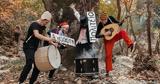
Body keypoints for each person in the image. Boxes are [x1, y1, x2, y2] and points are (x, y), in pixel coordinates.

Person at [18, 11, 57, 84]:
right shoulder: (34, 24)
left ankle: (31, 82)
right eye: (46, 22)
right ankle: (21, 81)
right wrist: (49, 39)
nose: (46, 24)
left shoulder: (43, 27)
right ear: (44, 19)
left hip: (35, 48)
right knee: (29, 63)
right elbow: (37, 35)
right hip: (28, 47)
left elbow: (45, 36)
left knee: (38, 66)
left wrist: (52, 43)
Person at [96, 13, 134, 79]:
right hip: (108, 40)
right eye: (102, 20)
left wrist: (124, 19)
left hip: (115, 36)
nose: (103, 21)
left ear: (107, 18)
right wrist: (105, 34)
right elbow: (96, 35)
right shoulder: (100, 24)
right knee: (108, 55)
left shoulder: (111, 18)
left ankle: (130, 44)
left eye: (104, 20)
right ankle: (108, 71)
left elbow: (119, 24)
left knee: (122, 32)